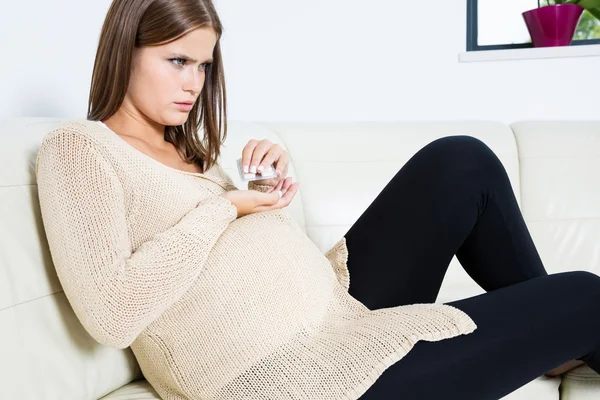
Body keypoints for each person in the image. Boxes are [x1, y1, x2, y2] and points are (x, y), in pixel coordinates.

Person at [34, 0, 600, 399]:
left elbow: (227, 259)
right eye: (177, 61)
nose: (193, 84)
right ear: (124, 50)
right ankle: (567, 335)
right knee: (584, 296)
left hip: (338, 315)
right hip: (286, 378)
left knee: (461, 161)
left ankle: (554, 347)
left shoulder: (189, 152)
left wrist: (260, 190)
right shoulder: (82, 150)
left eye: (204, 66)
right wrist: (227, 206)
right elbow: (111, 314)